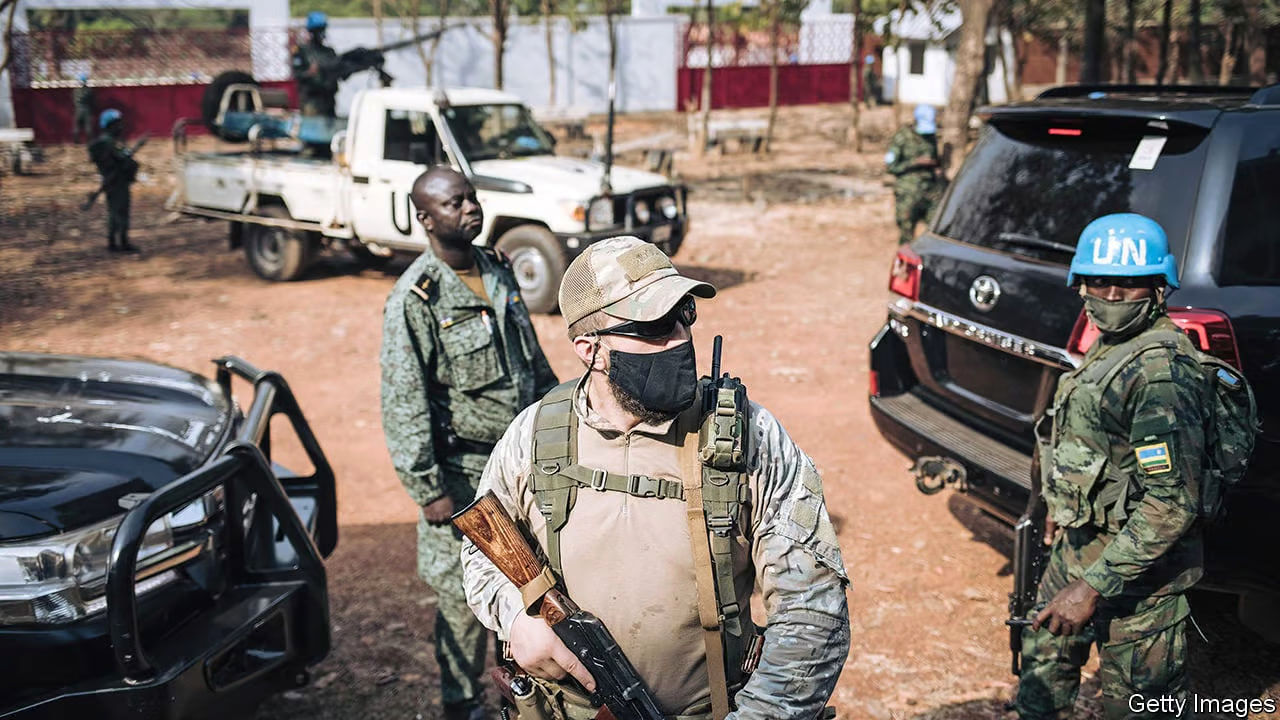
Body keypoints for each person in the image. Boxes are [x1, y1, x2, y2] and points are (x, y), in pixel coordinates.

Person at [460, 236, 851, 720]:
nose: (680, 341)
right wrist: (516, 617)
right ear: (590, 348)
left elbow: (813, 608)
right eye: (652, 327)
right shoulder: (536, 434)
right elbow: (481, 552)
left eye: (683, 316)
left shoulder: (747, 436)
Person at [380, 166, 558, 720]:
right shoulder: (417, 296)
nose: (471, 209)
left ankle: (528, 698)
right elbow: (402, 396)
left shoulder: (497, 269)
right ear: (426, 218)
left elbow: (530, 357)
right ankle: (460, 705)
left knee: (533, 580)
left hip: (520, 463)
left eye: (472, 198)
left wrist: (559, 416)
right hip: (463, 472)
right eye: (455, 203)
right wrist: (427, 487)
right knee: (461, 598)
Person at [1016, 214, 1208, 719]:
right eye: (1100, 282)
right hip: (1080, 545)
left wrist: (1091, 588)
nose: (1112, 296)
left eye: (1128, 284)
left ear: (1158, 288)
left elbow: (1172, 503)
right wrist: (1061, 506)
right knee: (1041, 671)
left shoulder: (1163, 374)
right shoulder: (1111, 343)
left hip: (1141, 577)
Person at [884, 105, 942, 245]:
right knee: (907, 234)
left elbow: (935, 158)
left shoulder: (931, 136)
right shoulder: (902, 137)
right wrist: (914, 162)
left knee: (935, 229)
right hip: (908, 192)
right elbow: (891, 167)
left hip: (930, 190)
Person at [87, 108, 139, 253]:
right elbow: (122, 158)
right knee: (119, 213)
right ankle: (121, 243)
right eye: (117, 124)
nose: (120, 127)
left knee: (115, 212)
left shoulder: (109, 142)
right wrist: (133, 151)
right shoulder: (108, 143)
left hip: (115, 181)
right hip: (117, 182)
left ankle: (115, 242)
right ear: (109, 125)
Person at [292, 11, 340, 118]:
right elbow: (296, 74)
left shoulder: (329, 52)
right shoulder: (302, 51)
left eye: (322, 30)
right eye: (317, 31)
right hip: (312, 101)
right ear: (311, 32)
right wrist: (310, 73)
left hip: (329, 101)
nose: (321, 34)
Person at [71, 72, 95, 144]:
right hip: (86, 109)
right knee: (88, 125)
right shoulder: (89, 90)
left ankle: (76, 140)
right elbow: (92, 100)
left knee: (77, 125)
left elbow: (73, 99)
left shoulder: (75, 90)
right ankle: (89, 140)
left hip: (78, 109)